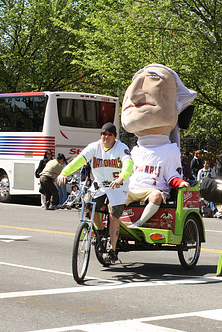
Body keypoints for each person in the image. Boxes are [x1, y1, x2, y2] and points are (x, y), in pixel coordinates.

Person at [121, 64, 197, 228]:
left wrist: (179, 182)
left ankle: (139, 223)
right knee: (112, 195)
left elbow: (171, 175)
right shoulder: (135, 150)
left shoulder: (170, 150)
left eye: (153, 78)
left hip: (152, 191)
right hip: (134, 188)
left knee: (156, 197)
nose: (134, 96)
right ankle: (113, 222)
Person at [57, 123, 133, 262]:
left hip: (117, 185)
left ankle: (113, 250)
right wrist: (64, 172)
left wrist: (121, 178)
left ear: (114, 137)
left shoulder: (121, 148)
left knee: (113, 215)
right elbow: (79, 160)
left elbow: (128, 164)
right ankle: (99, 229)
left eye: (109, 135)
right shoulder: (94, 147)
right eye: (103, 134)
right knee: (88, 204)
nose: (106, 137)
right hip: (100, 186)